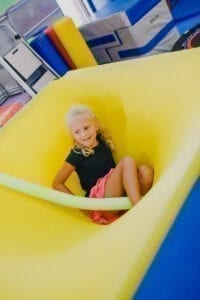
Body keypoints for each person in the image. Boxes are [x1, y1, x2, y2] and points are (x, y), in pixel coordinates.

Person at [52, 104, 154, 225]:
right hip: (101, 200)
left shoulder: (101, 139)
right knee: (127, 161)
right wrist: (82, 206)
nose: (83, 134)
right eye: (77, 132)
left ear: (96, 125)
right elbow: (57, 183)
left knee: (146, 172)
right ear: (72, 135)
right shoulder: (77, 154)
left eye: (86, 128)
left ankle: (129, 212)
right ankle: (141, 212)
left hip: (117, 192)